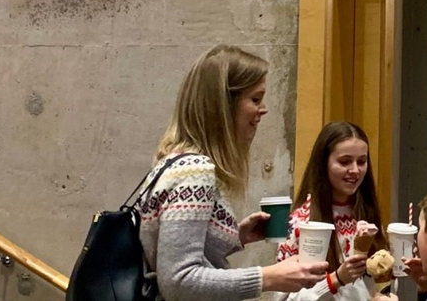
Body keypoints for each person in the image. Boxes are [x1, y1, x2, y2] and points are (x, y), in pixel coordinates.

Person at [136, 45, 328, 300]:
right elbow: (179, 281)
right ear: (224, 105)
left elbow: (176, 251)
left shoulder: (176, 161)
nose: (263, 109)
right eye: (255, 99)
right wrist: (268, 277)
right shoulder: (195, 172)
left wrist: (235, 236)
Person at [277, 121, 389, 300]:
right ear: (324, 163)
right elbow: (282, 297)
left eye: (362, 161)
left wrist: (390, 272)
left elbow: (378, 287)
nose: (355, 170)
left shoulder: (366, 216)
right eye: (345, 162)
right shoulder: (300, 223)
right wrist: (336, 279)